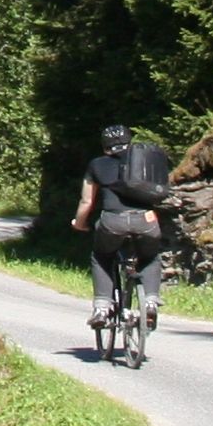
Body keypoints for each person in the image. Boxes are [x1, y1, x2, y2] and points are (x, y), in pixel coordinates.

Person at [70, 124, 171, 337]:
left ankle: (102, 308)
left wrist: (79, 223)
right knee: (150, 257)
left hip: (113, 222)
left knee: (101, 257)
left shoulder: (97, 165)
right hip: (146, 220)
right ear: (130, 140)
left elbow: (87, 201)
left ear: (105, 145)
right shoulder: (145, 160)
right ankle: (151, 301)